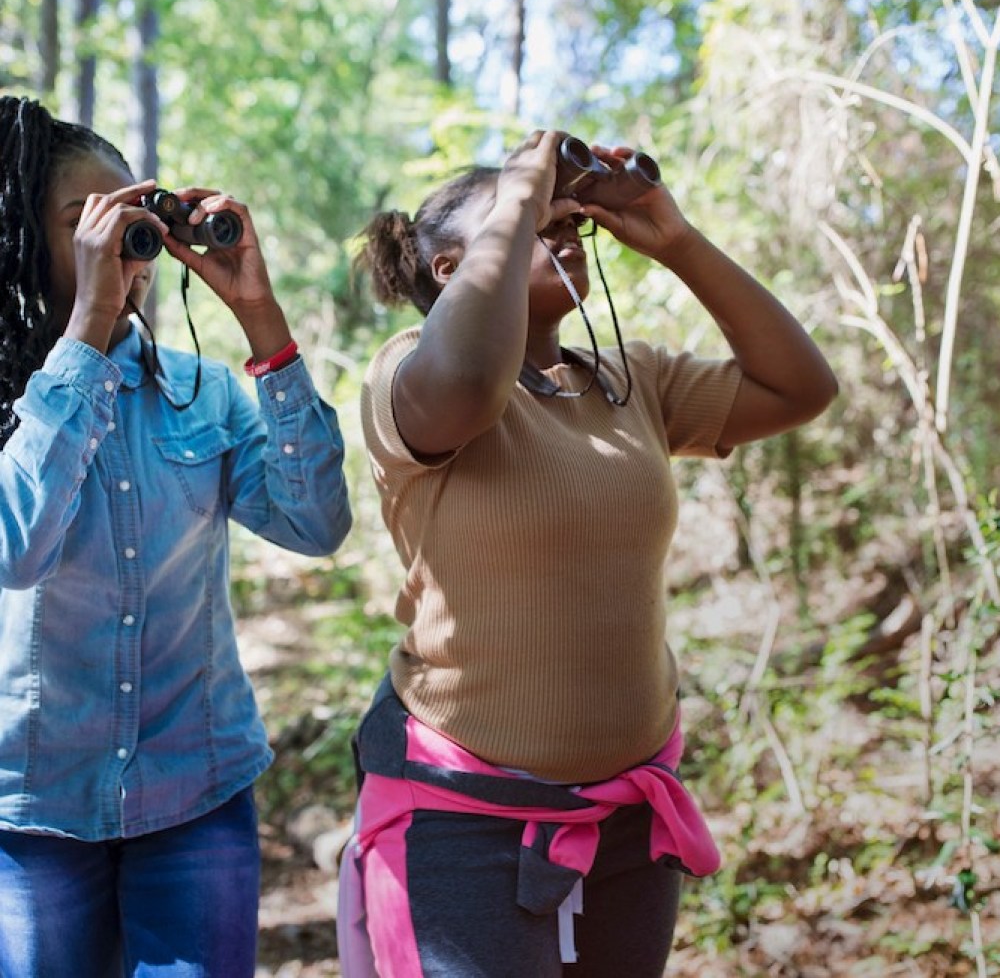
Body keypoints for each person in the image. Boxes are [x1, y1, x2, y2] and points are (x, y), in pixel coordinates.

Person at [341, 128, 838, 978]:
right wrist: (524, 189)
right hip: (464, 814)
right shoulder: (409, 376)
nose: (560, 226)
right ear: (451, 270)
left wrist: (676, 242)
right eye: (529, 221)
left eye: (567, 220)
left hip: (628, 812)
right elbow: (465, 385)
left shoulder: (628, 380)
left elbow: (801, 387)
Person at [0, 95, 353, 977]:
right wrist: (85, 327)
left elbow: (317, 523)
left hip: (195, 793)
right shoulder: (12, 406)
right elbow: (17, 544)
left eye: (136, 217)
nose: (124, 246)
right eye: (88, 223)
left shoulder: (204, 391)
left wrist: (259, 313)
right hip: (32, 809)